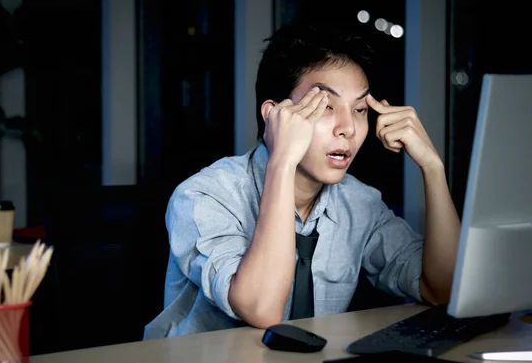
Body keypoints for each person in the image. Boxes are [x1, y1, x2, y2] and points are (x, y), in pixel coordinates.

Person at [143, 21, 461, 339]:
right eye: (325, 106)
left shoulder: (359, 203)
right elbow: (262, 308)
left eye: (361, 109)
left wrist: (433, 168)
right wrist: (281, 160)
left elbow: (442, 289)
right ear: (274, 114)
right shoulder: (204, 195)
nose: (348, 128)